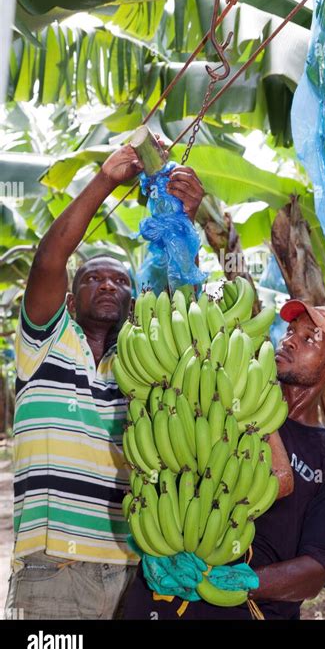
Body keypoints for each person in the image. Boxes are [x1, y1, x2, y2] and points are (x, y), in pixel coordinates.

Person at [5, 141, 207, 619]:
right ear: (70, 301)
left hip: (134, 570)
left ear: (135, 304)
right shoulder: (44, 344)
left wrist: (185, 223)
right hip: (53, 570)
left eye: (120, 282)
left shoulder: (143, 366)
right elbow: (49, 260)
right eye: (94, 278)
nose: (109, 285)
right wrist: (105, 181)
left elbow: (192, 317)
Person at [124, 300, 325, 620]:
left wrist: (240, 582)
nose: (289, 340)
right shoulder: (213, 406)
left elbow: (319, 568)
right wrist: (149, 544)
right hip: (156, 604)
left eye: (310, 339)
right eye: (291, 331)